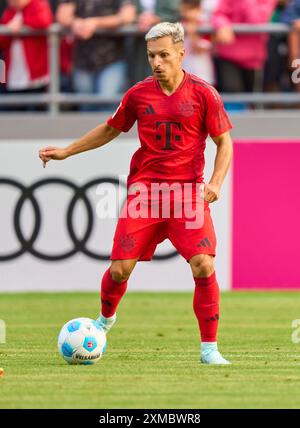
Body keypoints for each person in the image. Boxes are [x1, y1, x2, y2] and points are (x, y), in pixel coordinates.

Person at [39, 22, 233, 365]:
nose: (156, 63)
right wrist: (68, 151)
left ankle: (209, 349)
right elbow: (111, 129)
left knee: (203, 265)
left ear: (181, 54)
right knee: (119, 271)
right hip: (145, 194)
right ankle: (104, 321)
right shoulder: (138, 94)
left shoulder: (204, 94)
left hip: (188, 194)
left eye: (163, 55)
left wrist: (215, 183)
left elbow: (224, 143)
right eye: (151, 56)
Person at [56, 0, 136, 111]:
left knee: (107, 105)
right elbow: (62, 16)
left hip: (111, 59)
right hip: (82, 61)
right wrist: (75, 23)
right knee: (85, 108)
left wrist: (96, 23)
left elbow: (128, 16)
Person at [211, 0, 277, 93]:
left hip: (253, 59)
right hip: (228, 54)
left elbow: (256, 21)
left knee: (252, 97)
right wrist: (222, 25)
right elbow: (218, 15)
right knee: (232, 94)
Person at [0, 0, 52, 101]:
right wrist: (9, 30)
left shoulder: (37, 5)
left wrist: (22, 23)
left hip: (36, 79)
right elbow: (2, 42)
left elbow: (44, 21)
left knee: (35, 113)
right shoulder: (10, 12)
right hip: (13, 78)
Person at [180, 0, 215, 84]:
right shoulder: (178, 25)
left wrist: (193, 35)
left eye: (190, 10)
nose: (187, 14)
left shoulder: (204, 26)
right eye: (184, 10)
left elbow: (200, 50)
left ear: (199, 9)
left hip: (202, 73)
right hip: (183, 73)